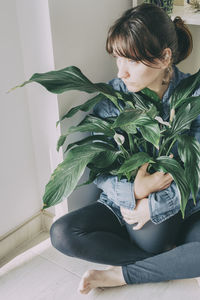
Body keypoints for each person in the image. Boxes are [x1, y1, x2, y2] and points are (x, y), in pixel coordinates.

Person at [49, 3, 200, 295]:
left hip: (186, 208)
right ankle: (174, 263)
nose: (122, 73)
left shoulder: (193, 95)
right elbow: (99, 167)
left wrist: (154, 206)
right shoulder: (111, 97)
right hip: (126, 209)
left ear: (164, 57)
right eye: (118, 59)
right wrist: (135, 192)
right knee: (62, 233)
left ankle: (120, 274)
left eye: (131, 61)